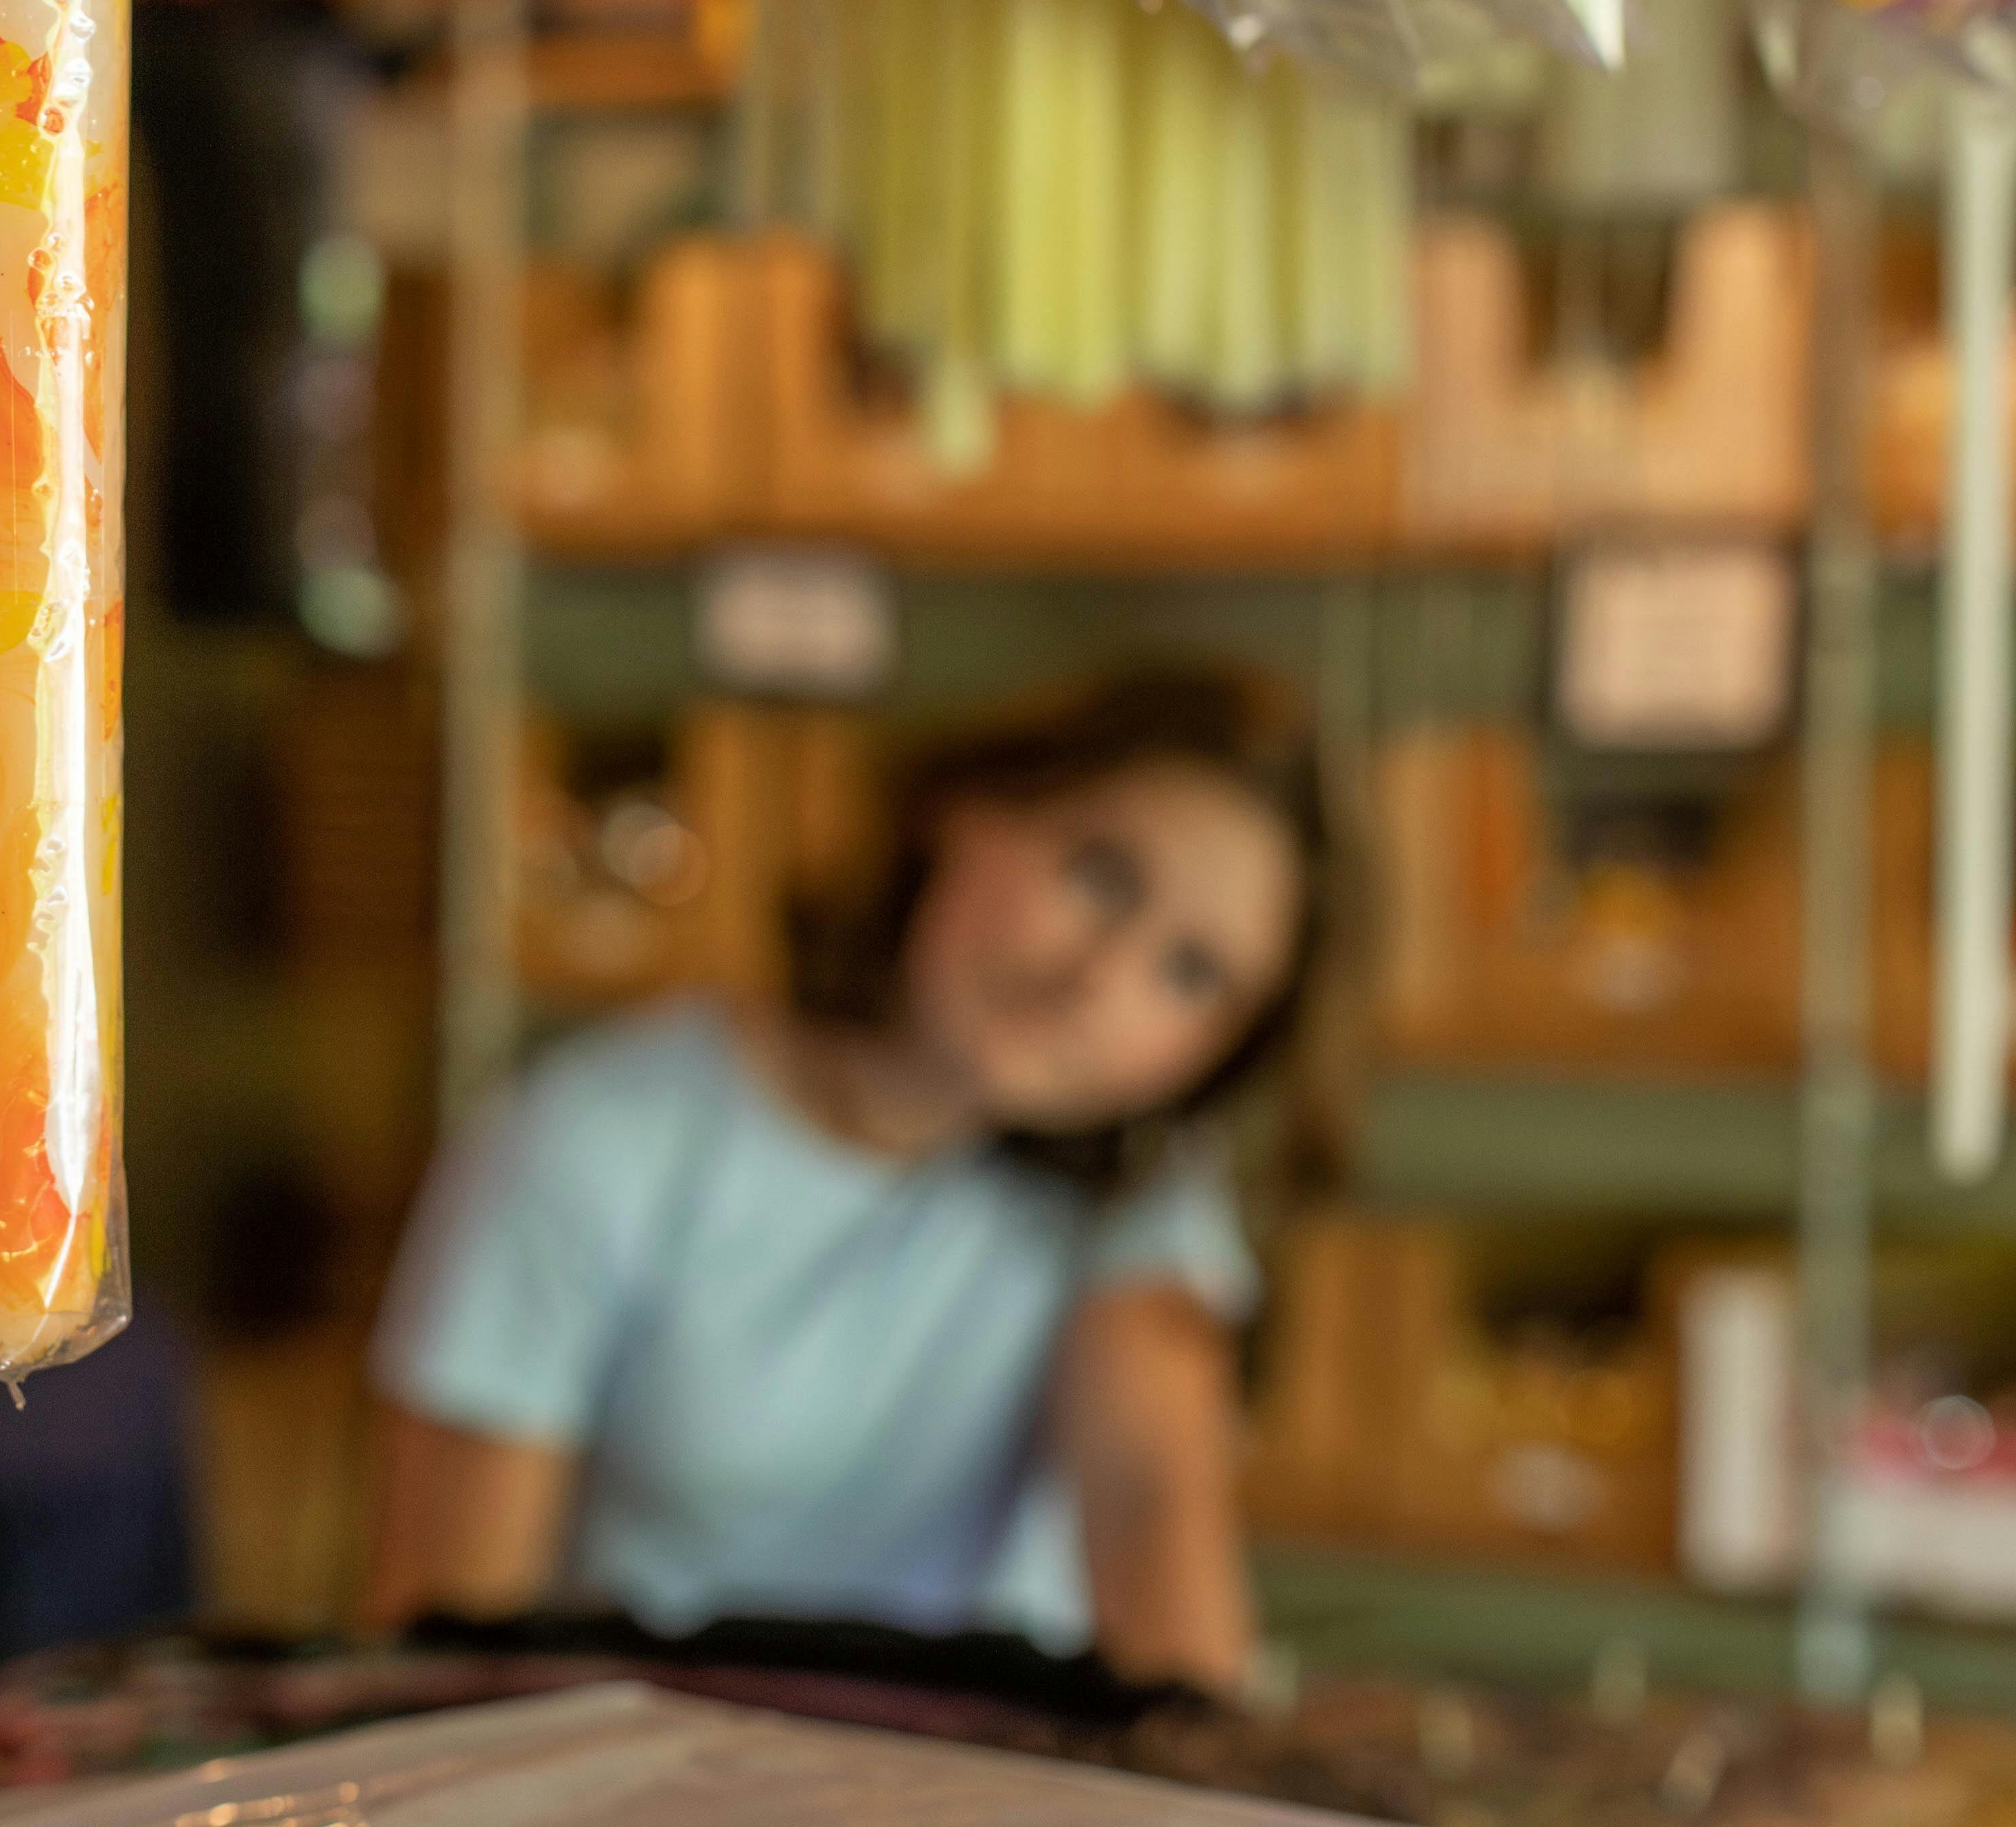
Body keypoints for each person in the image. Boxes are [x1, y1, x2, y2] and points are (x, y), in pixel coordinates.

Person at [363, 666, 1327, 1690]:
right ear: (963, 809)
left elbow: (1152, 1511)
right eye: (1100, 874)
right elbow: (448, 1648)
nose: (1100, 981)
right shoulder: (590, 1142)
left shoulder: (1142, 1198)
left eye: (1192, 973)